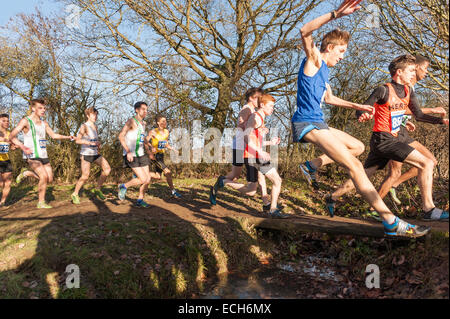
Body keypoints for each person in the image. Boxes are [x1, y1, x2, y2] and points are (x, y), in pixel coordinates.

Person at [291, 0, 431, 237]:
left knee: (357, 146)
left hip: (319, 121)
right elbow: (305, 31)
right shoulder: (315, 59)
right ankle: (390, 221)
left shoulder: (324, 72)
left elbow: (330, 100)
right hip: (307, 122)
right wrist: (336, 14)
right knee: (356, 166)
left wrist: (357, 105)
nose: (343, 57)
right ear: (329, 47)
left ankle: (311, 165)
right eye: (342, 51)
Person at [328, 54, 449, 222]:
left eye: (415, 71)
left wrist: (441, 121)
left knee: (364, 173)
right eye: (411, 71)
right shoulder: (383, 89)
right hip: (384, 140)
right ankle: (428, 209)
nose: (413, 74)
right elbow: (361, 109)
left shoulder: (408, 91)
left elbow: (419, 115)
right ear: (399, 72)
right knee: (427, 162)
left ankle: (332, 196)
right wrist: (362, 115)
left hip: (390, 139)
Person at [373, 54, 446, 207]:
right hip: (392, 135)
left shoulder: (409, 87)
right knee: (393, 173)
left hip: (401, 132)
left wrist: (405, 122)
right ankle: (373, 206)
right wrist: (432, 110)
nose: (426, 72)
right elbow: (399, 108)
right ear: (416, 68)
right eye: (425, 68)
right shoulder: (403, 84)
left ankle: (392, 188)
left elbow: (404, 110)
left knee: (430, 162)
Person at [210, 94, 285, 218]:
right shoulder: (256, 117)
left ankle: (225, 182)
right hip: (253, 156)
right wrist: (260, 152)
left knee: (252, 190)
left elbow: (254, 139)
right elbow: (246, 136)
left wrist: (270, 142)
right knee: (275, 181)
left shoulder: (260, 118)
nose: (273, 109)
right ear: (262, 105)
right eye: (271, 106)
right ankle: (272, 209)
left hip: (252, 155)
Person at [9, 99, 75, 209]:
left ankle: (27, 173)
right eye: (40, 108)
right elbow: (11, 135)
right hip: (31, 155)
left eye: (44, 108)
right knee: (43, 176)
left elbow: (53, 135)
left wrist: (68, 137)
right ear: (33, 108)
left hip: (43, 155)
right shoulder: (26, 121)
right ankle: (41, 202)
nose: (43, 110)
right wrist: (22, 146)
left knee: (49, 179)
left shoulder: (44, 123)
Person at [71, 107, 111, 204]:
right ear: (88, 115)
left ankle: (97, 189)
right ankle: (75, 194)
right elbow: (78, 140)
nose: (95, 116)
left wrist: (98, 144)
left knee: (107, 169)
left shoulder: (95, 127)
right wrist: (89, 143)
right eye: (93, 114)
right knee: (85, 176)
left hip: (95, 153)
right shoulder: (84, 126)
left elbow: (95, 141)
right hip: (86, 154)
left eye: (96, 114)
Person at [117, 101, 152, 207]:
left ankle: (140, 200)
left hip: (141, 154)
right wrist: (127, 151)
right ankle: (123, 186)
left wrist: (150, 146)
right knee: (142, 179)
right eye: (143, 109)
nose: (145, 111)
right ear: (137, 110)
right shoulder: (131, 121)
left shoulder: (143, 124)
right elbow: (121, 136)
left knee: (148, 179)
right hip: (131, 154)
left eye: (146, 109)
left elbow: (142, 139)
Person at [147, 114, 182, 198]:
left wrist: (173, 149)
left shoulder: (166, 132)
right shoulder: (153, 132)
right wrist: (151, 147)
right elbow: (145, 141)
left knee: (157, 176)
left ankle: (142, 174)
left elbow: (166, 144)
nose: (165, 122)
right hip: (155, 156)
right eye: (163, 121)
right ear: (158, 123)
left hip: (161, 155)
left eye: (165, 121)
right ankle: (173, 192)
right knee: (168, 172)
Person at [0, 113, 17, 207]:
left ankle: (2, 202)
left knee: (8, 182)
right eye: (3, 120)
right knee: (1, 183)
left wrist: (14, 146)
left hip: (6, 161)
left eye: (7, 121)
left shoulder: (10, 134)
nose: (6, 122)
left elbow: (11, 146)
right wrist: (3, 139)